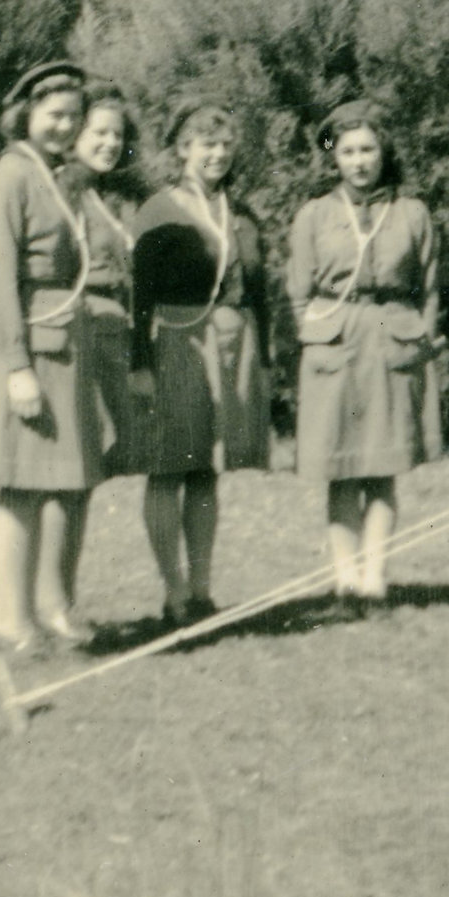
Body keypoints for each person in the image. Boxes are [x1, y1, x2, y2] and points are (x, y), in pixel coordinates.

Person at [0, 58, 105, 661]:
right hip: (23, 349)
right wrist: (17, 368)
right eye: (53, 116)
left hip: (68, 349)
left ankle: (55, 608)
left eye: (73, 116)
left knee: (70, 486)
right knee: (19, 488)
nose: (64, 127)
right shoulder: (8, 179)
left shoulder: (62, 177)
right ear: (26, 116)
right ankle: (12, 620)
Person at [286, 99, 440, 617]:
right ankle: (345, 582)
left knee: (382, 468)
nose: (359, 160)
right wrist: (319, 335)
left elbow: (429, 289)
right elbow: (299, 294)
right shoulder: (315, 214)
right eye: (348, 151)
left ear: (384, 151)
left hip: (390, 337)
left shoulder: (412, 212)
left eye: (368, 149)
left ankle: (375, 581)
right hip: (336, 344)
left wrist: (419, 338)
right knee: (340, 469)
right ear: (335, 159)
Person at [127, 97, 272, 625]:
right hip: (175, 345)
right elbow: (137, 296)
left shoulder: (242, 213)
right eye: (207, 143)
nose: (218, 153)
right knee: (169, 468)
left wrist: (267, 358)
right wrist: (139, 361)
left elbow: (258, 290)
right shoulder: (158, 210)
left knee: (208, 470)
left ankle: (204, 588)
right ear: (183, 149)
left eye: (226, 144)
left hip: (231, 347)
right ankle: (174, 591)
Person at [71, 80, 148, 484]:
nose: (110, 143)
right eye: (99, 132)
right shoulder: (66, 193)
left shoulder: (124, 196)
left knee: (133, 445)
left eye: (117, 134)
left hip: (124, 324)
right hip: (88, 322)